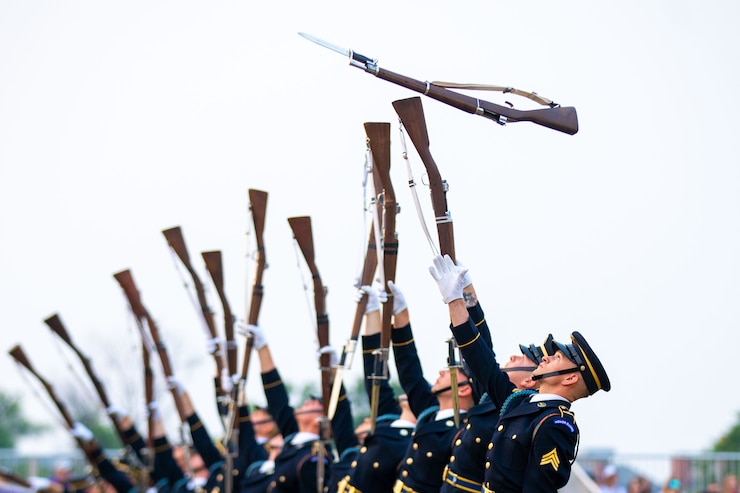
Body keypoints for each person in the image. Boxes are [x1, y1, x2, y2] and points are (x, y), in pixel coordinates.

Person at [429, 253, 611, 493]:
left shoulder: (555, 424)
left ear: (570, 378)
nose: (545, 358)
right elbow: (480, 356)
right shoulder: (520, 403)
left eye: (557, 358)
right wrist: (459, 297)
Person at [385, 280, 477, 493]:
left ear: (464, 389)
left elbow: (483, 357)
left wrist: (467, 298)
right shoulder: (429, 412)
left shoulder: (466, 429)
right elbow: (410, 371)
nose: (441, 372)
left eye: (451, 372)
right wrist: (400, 316)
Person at [336, 283, 416, 493]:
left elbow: (411, 371)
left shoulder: (419, 438)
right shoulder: (389, 420)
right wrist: (371, 312)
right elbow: (374, 376)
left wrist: (401, 315)